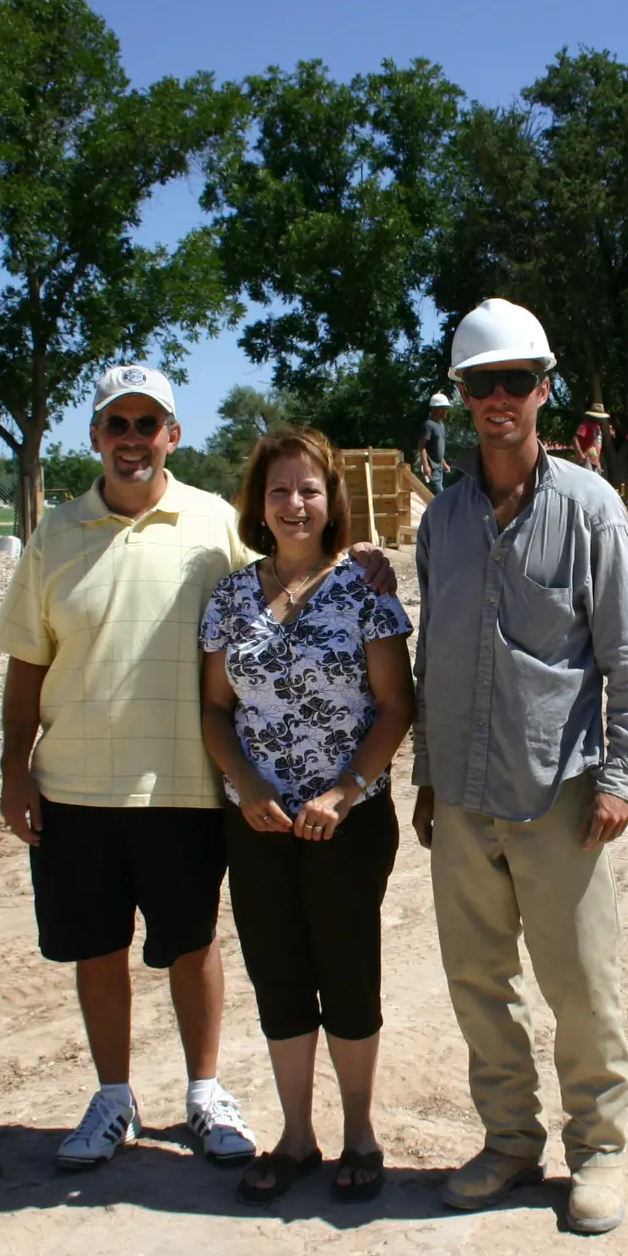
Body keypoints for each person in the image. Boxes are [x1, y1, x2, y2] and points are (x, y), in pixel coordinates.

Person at [412, 299, 628, 1235]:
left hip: (560, 793)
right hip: (466, 798)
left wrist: (622, 776)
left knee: (580, 984)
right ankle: (509, 1140)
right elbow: (432, 652)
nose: (499, 400)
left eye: (515, 381)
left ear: (543, 390)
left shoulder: (590, 509)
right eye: (481, 384)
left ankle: (599, 1149)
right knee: (480, 984)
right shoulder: (442, 521)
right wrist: (429, 776)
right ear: (464, 397)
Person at [0, 363, 263, 1173]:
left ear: (173, 437)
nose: (134, 440)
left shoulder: (216, 525)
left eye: (150, 425)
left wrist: (360, 564)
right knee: (97, 948)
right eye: (119, 424)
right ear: (97, 437)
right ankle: (113, 1096)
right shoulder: (56, 533)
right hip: (75, 787)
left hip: (185, 784)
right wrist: (14, 767)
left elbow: (290, 579)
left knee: (193, 944)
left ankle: (206, 1091)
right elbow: (26, 663)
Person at [199, 427, 415, 1206]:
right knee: (278, 975)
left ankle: (360, 1132)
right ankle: (296, 1135)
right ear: (259, 503)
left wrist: (346, 790)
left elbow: (397, 707)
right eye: (280, 490)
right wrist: (245, 786)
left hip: (347, 823)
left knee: (347, 972)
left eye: (309, 490)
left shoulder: (366, 590)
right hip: (256, 824)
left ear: (333, 502)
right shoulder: (229, 597)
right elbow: (216, 710)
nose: (295, 504)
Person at [416, 391, 453, 486]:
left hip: (440, 468)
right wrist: (426, 466)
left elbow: (438, 448)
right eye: (445, 409)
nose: (446, 411)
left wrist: (444, 464)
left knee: (439, 498)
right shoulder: (428, 425)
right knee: (439, 496)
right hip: (432, 469)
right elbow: (421, 447)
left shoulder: (441, 426)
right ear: (438, 409)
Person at [573, 405, 607, 475]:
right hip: (586, 459)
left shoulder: (597, 427)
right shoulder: (585, 425)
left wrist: (598, 462)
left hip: (595, 460)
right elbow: (575, 439)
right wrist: (580, 454)